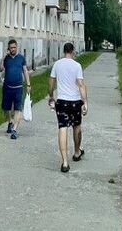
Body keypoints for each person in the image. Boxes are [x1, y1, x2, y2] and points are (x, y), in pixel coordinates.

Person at [47, 42, 88, 173]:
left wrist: (51, 96)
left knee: (62, 128)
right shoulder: (77, 66)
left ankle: (65, 162)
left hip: (62, 101)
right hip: (75, 101)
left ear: (64, 51)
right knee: (77, 126)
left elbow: (51, 83)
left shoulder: (57, 65)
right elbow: (81, 84)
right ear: (73, 51)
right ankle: (76, 152)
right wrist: (85, 102)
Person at [0, 38, 30, 140]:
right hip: (7, 87)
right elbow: (0, 69)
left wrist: (28, 84)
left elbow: (25, 71)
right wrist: (3, 57)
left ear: (17, 47)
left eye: (14, 47)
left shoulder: (21, 58)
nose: (13, 49)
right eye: (11, 48)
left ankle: (14, 130)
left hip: (18, 88)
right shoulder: (6, 59)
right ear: (8, 48)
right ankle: (10, 122)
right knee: (6, 108)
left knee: (18, 108)